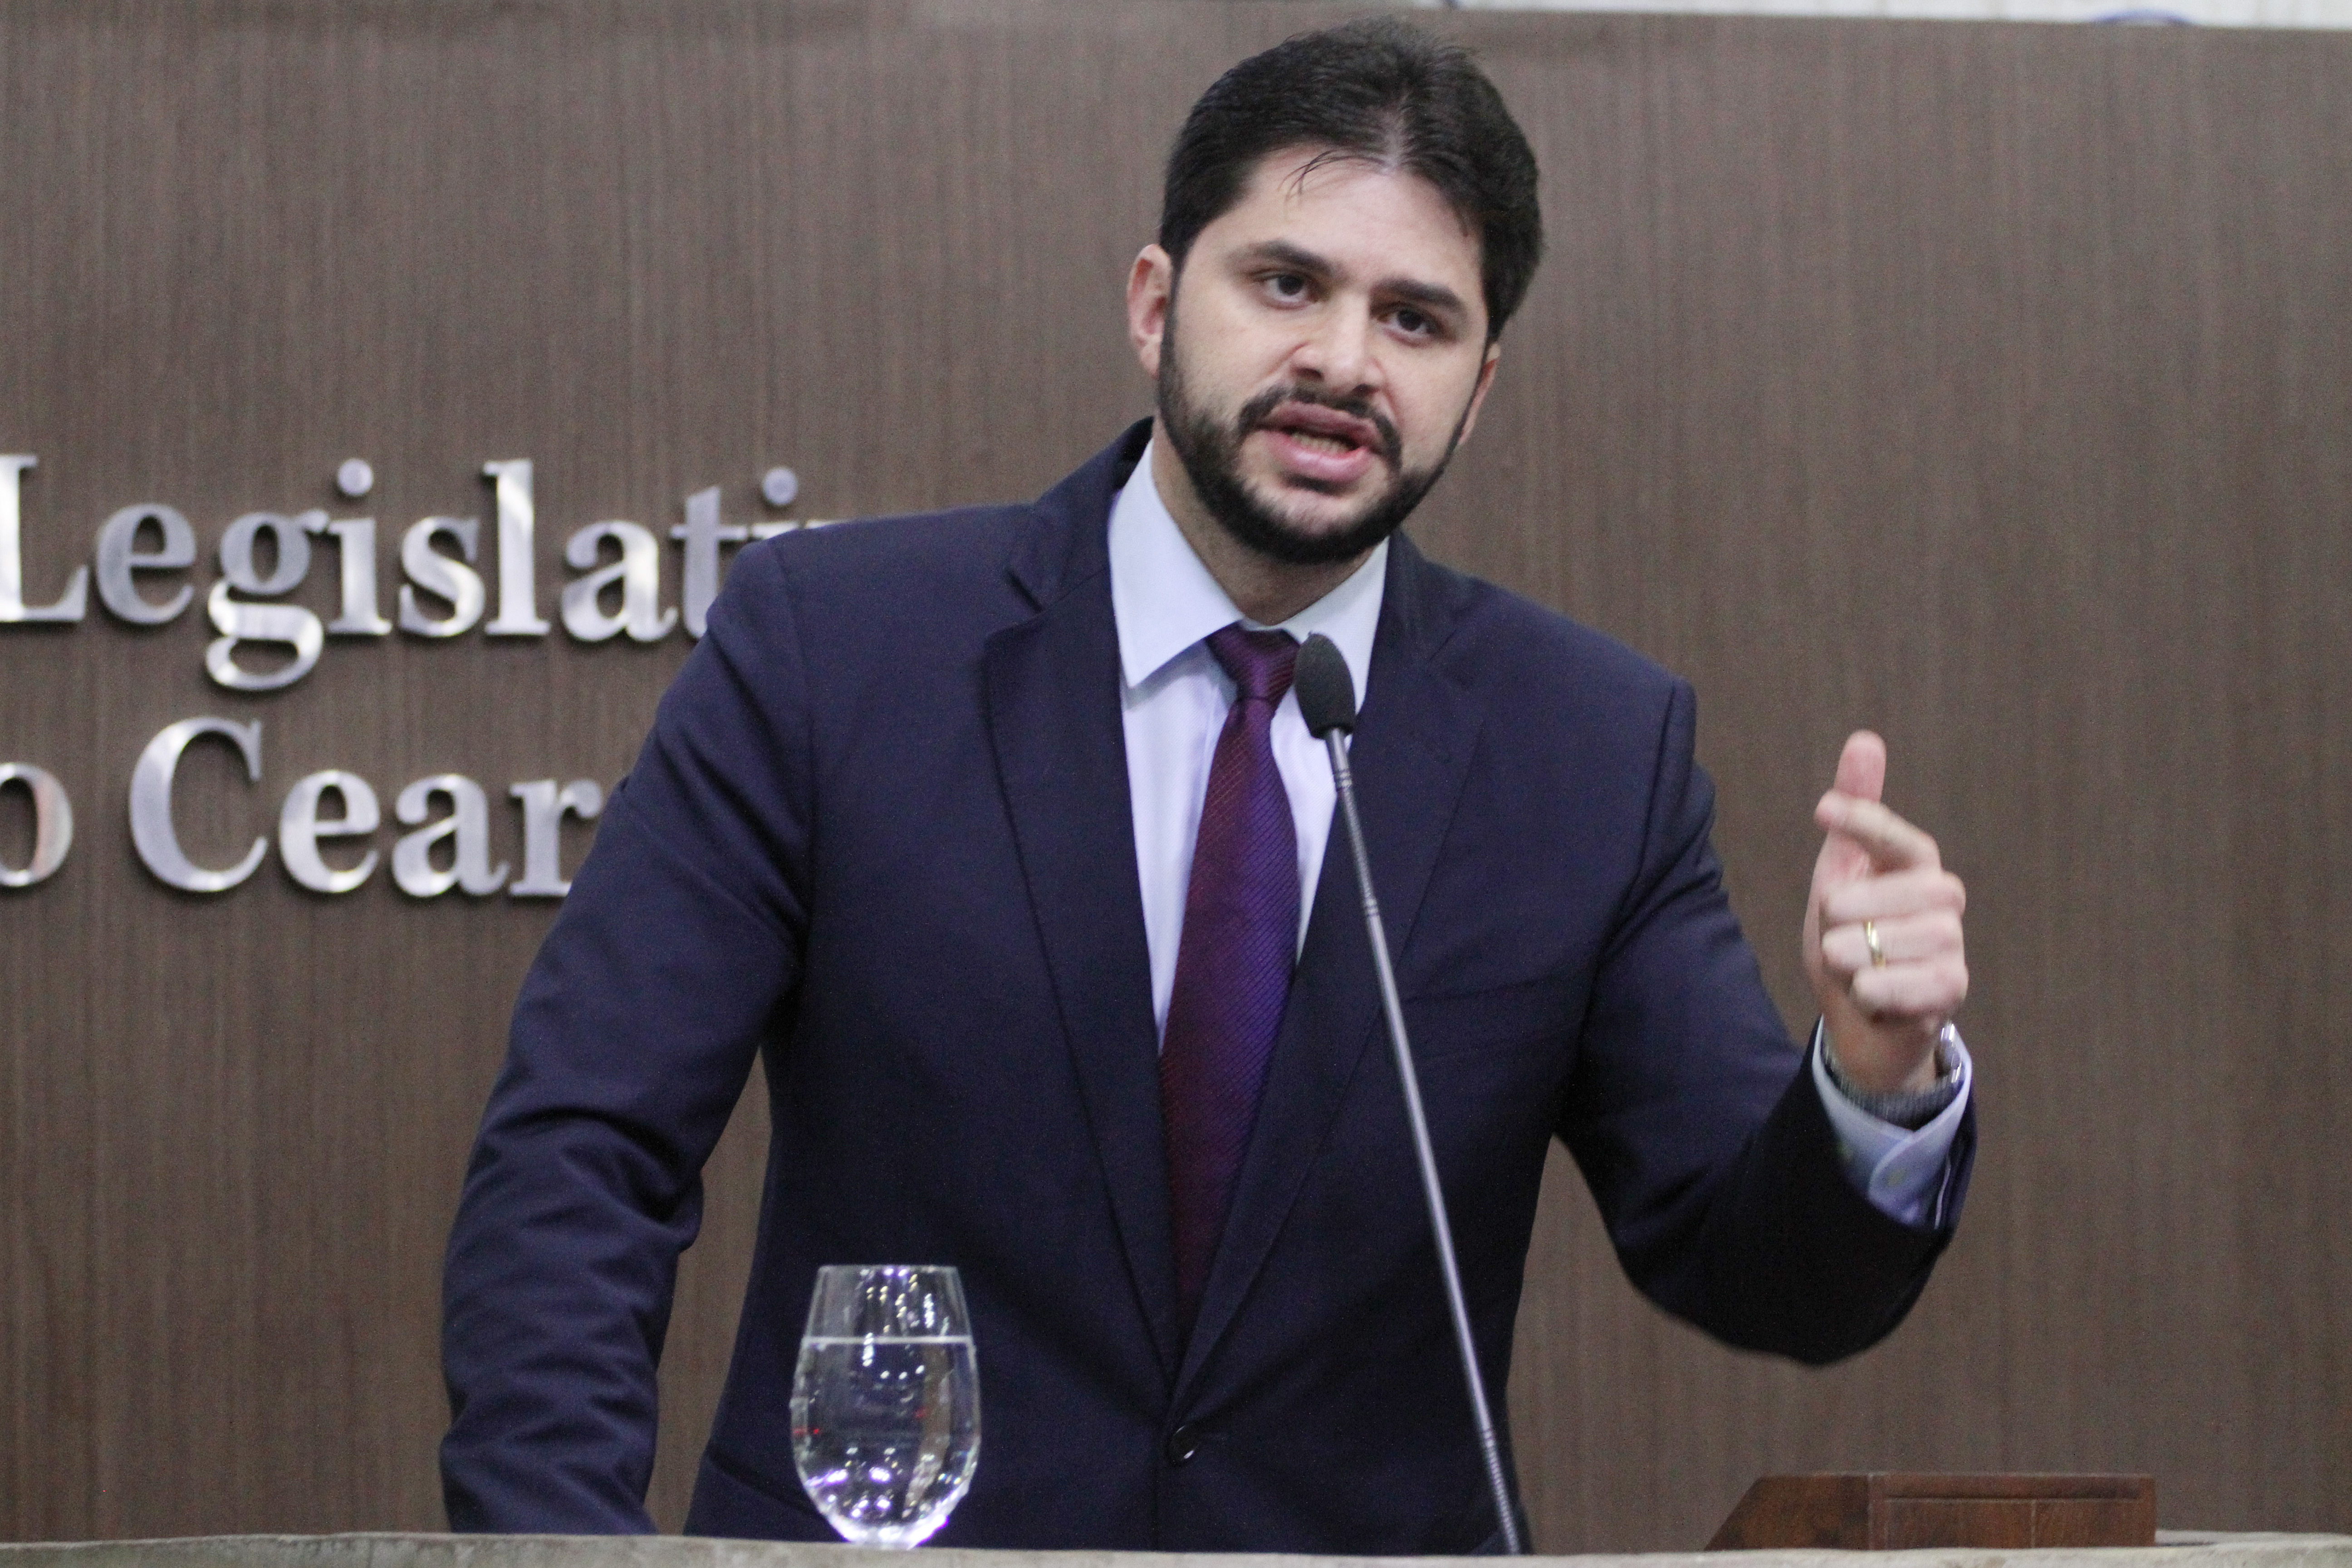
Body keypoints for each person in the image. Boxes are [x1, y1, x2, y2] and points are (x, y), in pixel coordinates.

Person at [441, 18, 1975, 1552]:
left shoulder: (1586, 749)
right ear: (1156, 301)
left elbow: (1759, 1268)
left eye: (1416, 319)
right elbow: (585, 1151)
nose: (1345, 363)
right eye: (1287, 284)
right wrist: (561, 1553)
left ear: (1480, 386)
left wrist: (1874, 1081)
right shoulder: (836, 650)